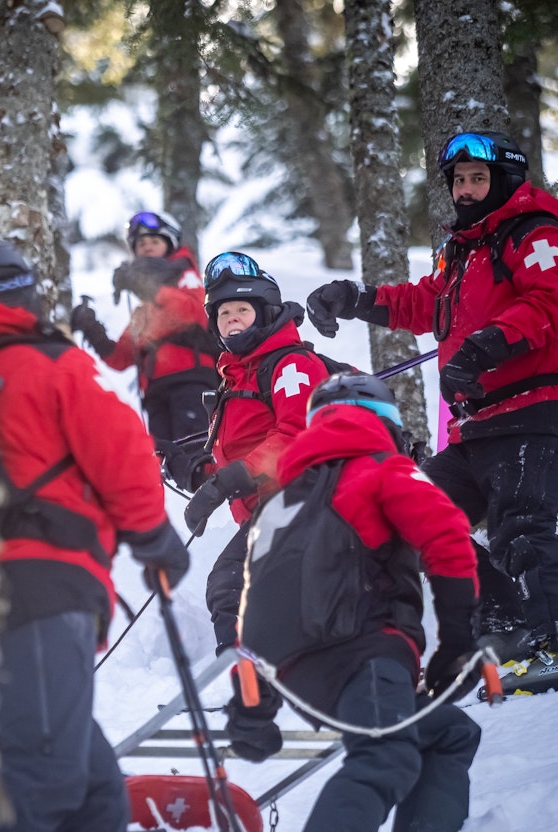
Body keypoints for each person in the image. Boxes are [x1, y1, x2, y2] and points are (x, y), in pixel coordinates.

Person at [306, 131, 558, 694]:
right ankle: (509, 626)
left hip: (536, 409)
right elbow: (424, 303)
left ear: (505, 181)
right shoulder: (465, 252)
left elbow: (549, 302)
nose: (465, 191)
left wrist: (483, 346)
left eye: (477, 179)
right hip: (477, 425)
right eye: (458, 181)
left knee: (520, 527)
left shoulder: (536, 233)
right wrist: (353, 297)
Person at [0, 237, 190, 832]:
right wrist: (156, 540)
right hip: (42, 584)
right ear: (22, 294)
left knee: (95, 795)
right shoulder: (45, 362)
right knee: (46, 780)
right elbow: (122, 448)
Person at [240, 372, 481, 832]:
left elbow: (260, 605)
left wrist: (251, 705)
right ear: (388, 424)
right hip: (363, 654)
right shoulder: (385, 468)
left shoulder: (279, 505)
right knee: (385, 757)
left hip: (300, 678)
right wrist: (457, 645)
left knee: (449, 732)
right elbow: (447, 536)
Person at [182, 250, 343, 762]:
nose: (231, 322)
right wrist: (204, 472)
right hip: (271, 507)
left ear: (266, 309)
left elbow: (296, 435)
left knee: (232, 588)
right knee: (241, 594)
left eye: (241, 311)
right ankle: (265, 696)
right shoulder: (237, 377)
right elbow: (246, 449)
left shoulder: (289, 363)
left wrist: (229, 478)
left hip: (307, 499)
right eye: (223, 315)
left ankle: (255, 705)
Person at [69, 211, 219, 453]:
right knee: (166, 468)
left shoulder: (186, 276)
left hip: (192, 382)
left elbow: (193, 311)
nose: (147, 247)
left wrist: (144, 286)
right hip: (155, 392)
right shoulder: (144, 308)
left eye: (154, 241)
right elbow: (120, 358)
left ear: (170, 244)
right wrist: (91, 327)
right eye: (141, 243)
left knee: (196, 457)